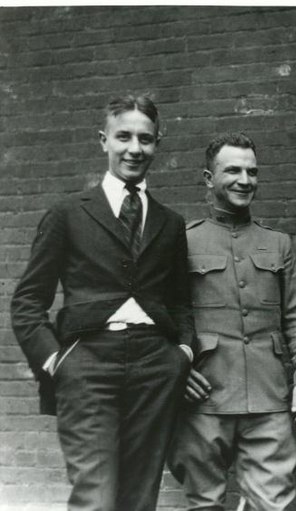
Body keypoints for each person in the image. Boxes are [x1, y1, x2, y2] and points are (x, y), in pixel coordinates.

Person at [11, 94, 194, 511]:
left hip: (155, 366)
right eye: (124, 137)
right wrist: (56, 361)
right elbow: (27, 301)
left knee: (139, 497)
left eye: (145, 139)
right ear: (103, 141)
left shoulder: (170, 222)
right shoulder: (69, 213)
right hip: (88, 364)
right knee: (95, 495)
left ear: (157, 144)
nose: (135, 148)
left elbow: (181, 301)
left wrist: (181, 352)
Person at [168, 132, 296, 511]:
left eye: (252, 171)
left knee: (274, 503)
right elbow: (166, 316)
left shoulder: (278, 244)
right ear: (208, 178)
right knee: (205, 503)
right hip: (204, 395)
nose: (244, 180)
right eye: (232, 170)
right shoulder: (182, 242)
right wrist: (177, 370)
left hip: (268, 397)